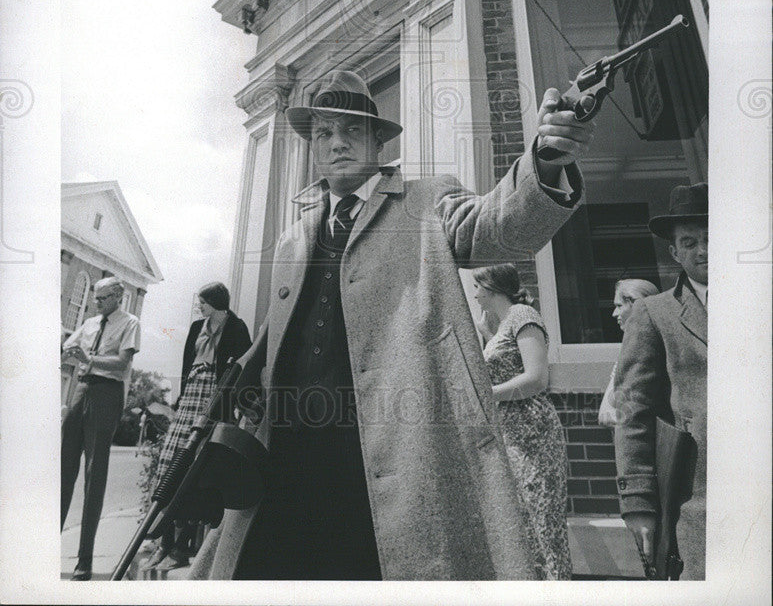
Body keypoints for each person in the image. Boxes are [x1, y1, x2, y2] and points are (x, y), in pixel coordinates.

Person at [189, 69, 595, 580]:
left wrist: (546, 160)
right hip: (290, 459)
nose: (337, 143)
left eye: (352, 131)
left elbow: (497, 225)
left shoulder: (429, 202)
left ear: (378, 141)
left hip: (390, 461)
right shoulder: (294, 237)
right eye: (324, 133)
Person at [614, 183, 708, 580]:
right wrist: (638, 504)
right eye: (689, 242)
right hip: (700, 500)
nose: (704, 250)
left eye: (713, 238)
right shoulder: (655, 314)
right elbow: (631, 409)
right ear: (674, 253)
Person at [473, 263, 571, 580]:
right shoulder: (499, 323)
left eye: (477, 287)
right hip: (513, 437)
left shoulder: (522, 316)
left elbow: (536, 379)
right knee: (525, 527)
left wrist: (487, 395)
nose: (474, 294)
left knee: (545, 525)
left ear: (489, 287)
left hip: (535, 435)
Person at [145, 281, 251, 571]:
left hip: (213, 400)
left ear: (217, 301)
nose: (199, 306)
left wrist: (238, 403)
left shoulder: (237, 328)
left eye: (203, 301)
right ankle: (163, 543)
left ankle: (180, 549)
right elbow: (186, 364)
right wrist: (179, 397)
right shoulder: (196, 328)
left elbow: (243, 368)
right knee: (171, 462)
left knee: (195, 468)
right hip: (192, 393)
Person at [61, 276, 140, 581]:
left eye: (102, 298)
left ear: (117, 298)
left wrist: (89, 358)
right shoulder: (90, 322)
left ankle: (84, 561)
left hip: (107, 394)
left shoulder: (130, 323)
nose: (96, 303)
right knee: (64, 468)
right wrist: (69, 352)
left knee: (95, 476)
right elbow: (68, 347)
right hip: (82, 389)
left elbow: (122, 363)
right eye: (95, 298)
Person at [598, 279, 659, 427]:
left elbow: (607, 416)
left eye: (619, 306)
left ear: (638, 305)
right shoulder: (628, 347)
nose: (614, 313)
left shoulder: (648, 349)